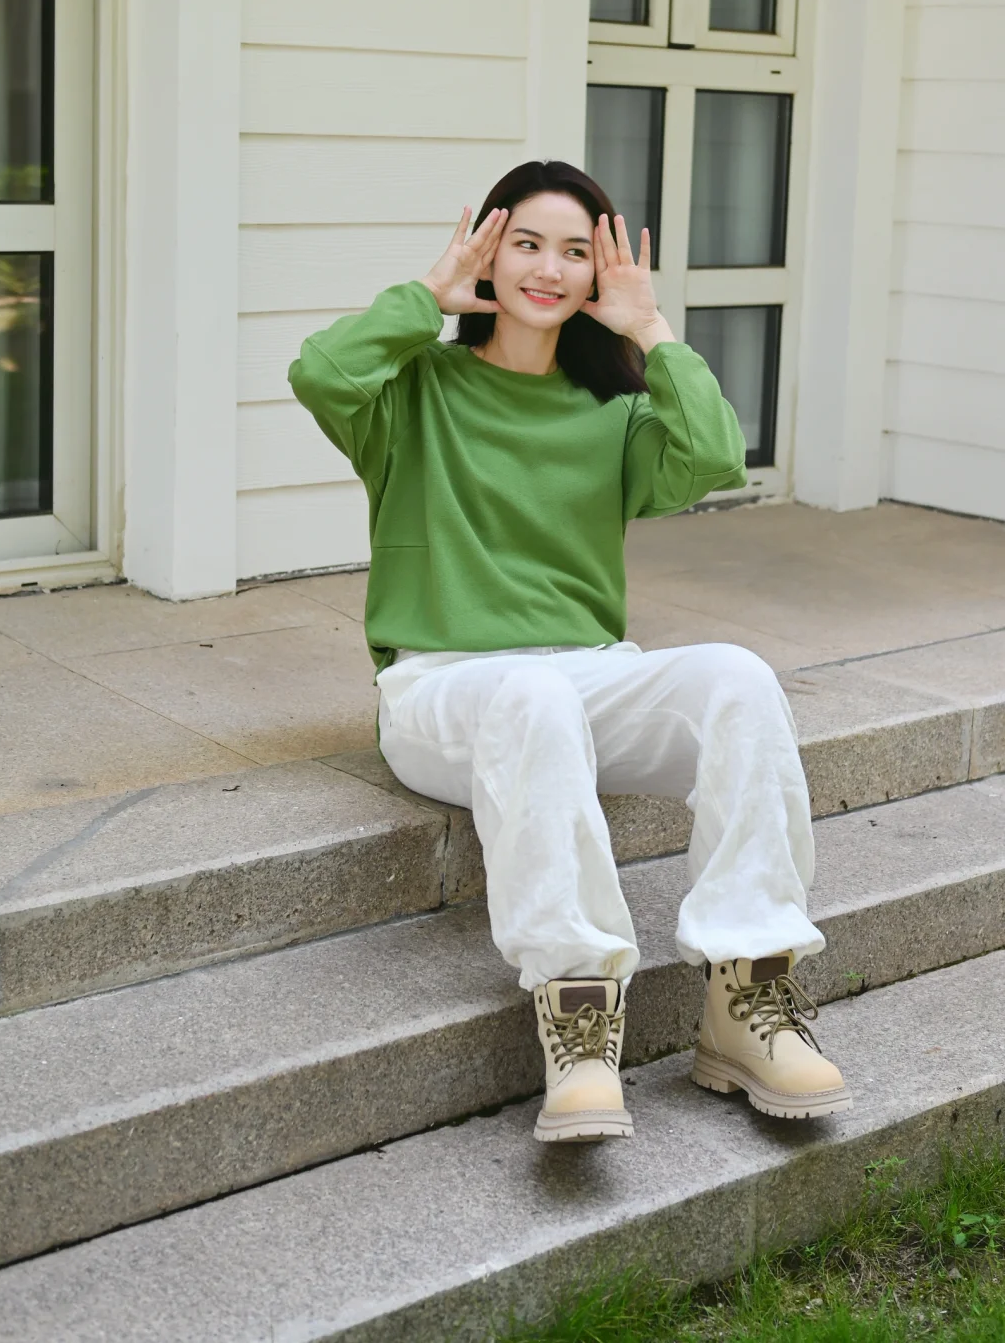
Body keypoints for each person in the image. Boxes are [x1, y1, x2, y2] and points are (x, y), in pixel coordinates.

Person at [289, 159, 851, 1144]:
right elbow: (320, 372)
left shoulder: (612, 409)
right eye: (526, 244)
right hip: (445, 685)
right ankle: (580, 1017)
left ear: (599, 273)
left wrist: (651, 329)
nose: (548, 269)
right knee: (533, 695)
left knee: (737, 676)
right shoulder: (414, 392)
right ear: (490, 253)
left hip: (585, 668)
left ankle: (747, 996)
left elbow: (714, 454)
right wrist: (426, 296)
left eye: (574, 252)